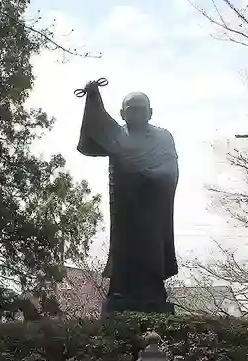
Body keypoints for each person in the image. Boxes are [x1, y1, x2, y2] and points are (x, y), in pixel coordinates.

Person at [76, 79, 179, 314]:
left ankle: (153, 291)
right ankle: (121, 290)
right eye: (130, 109)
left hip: (151, 205)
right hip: (124, 207)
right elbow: (90, 140)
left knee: (152, 248)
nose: (135, 114)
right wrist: (92, 98)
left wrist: (147, 175)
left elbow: (170, 168)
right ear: (122, 113)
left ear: (150, 113)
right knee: (124, 250)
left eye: (141, 109)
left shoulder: (163, 137)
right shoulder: (116, 136)